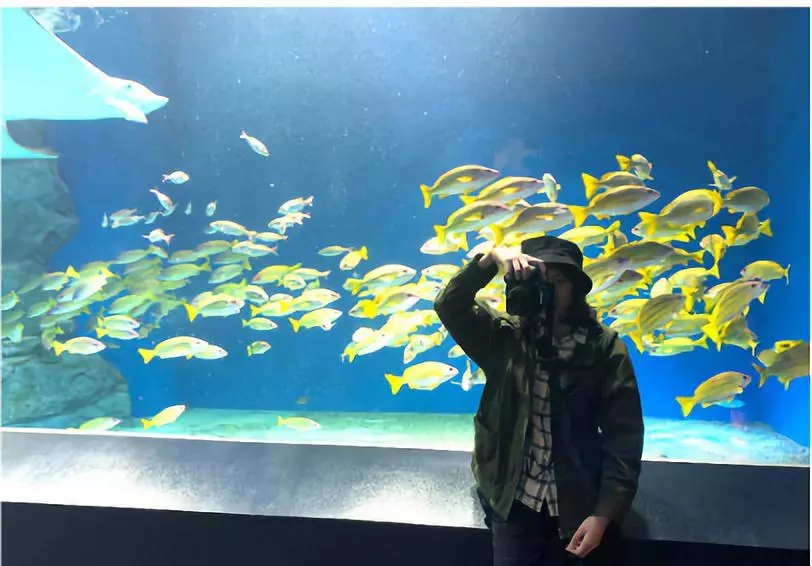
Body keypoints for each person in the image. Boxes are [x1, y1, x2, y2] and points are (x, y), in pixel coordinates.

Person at [433, 235, 644, 566]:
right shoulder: (503, 337)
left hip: (576, 501)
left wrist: (605, 514)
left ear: (575, 288)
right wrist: (492, 258)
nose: (547, 291)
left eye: (557, 281)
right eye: (537, 280)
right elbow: (449, 305)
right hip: (513, 500)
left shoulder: (603, 348)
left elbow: (624, 437)